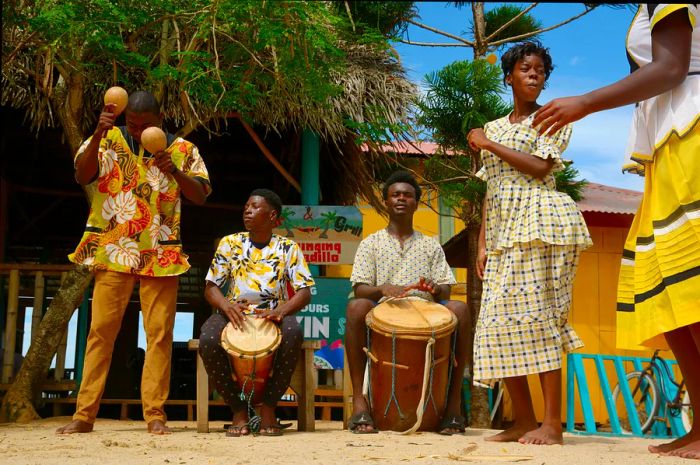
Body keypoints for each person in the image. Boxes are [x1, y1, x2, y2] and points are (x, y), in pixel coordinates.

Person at [533, 4, 700, 459]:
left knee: (692, 288)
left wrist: (586, 102)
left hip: (692, 136)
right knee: (670, 290)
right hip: (670, 142)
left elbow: (671, 67)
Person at [56, 90, 211, 435]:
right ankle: (84, 415)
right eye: (132, 124)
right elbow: (83, 175)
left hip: (161, 251)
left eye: (145, 125)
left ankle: (155, 414)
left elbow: (200, 195)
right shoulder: (108, 140)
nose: (138, 131)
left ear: (160, 120)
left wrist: (174, 171)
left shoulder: (183, 150)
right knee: (101, 333)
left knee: (159, 335)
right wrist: (97, 133)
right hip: (114, 248)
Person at [467, 41, 592, 445]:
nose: (534, 74)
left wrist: (486, 143)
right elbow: (493, 189)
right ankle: (523, 420)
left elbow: (540, 168)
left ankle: (552, 425)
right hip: (504, 230)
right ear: (509, 77)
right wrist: (483, 244)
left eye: (540, 69)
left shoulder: (552, 120)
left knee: (540, 319)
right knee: (497, 323)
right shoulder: (496, 126)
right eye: (525, 68)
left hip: (542, 223)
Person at [345, 170, 471, 435]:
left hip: (427, 314)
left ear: (416, 203)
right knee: (356, 307)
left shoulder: (431, 245)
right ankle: (359, 401)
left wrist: (435, 289)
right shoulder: (371, 244)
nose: (401, 199)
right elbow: (360, 288)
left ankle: (454, 404)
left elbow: (445, 291)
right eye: (395, 195)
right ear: (386, 202)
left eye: (407, 195)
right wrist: (381, 289)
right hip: (384, 313)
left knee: (460, 308)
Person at [199, 189, 315, 437]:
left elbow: (305, 292)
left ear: (272, 216)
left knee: (293, 332)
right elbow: (211, 288)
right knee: (208, 338)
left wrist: (281, 311)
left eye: (253, 207)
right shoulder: (230, 243)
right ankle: (238, 410)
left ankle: (269, 408)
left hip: (273, 313)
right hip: (234, 311)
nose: (247, 211)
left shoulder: (288, 248)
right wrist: (226, 306)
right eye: (245, 208)